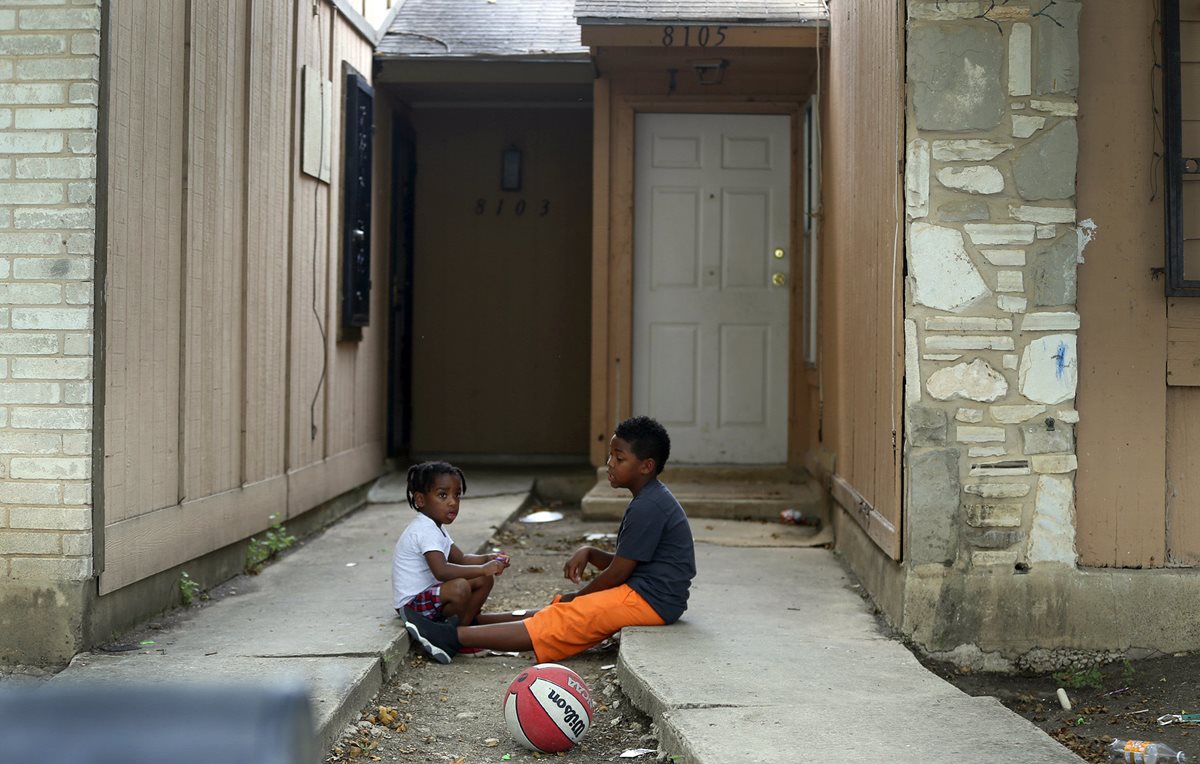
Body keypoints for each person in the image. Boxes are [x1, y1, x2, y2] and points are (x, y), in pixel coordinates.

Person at [403, 415, 696, 665]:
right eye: (610, 455)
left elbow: (620, 572)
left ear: (646, 466)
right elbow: (630, 562)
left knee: (566, 616)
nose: (609, 463)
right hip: (644, 593)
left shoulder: (648, 506)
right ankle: (470, 625)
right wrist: (590, 552)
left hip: (651, 601)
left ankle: (450, 637)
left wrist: (580, 597)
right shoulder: (650, 499)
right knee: (560, 608)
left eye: (619, 458)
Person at [392, 461, 511, 641]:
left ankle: (461, 632)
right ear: (420, 500)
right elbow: (442, 571)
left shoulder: (435, 527)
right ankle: (454, 638)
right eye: (443, 495)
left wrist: (488, 558)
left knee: (484, 579)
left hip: (429, 596)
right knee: (459, 587)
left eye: (457, 495)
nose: (453, 502)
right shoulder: (424, 530)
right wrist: (483, 568)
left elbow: (461, 559)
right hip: (412, 606)